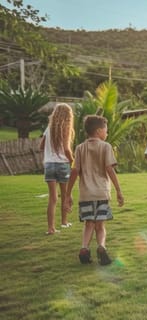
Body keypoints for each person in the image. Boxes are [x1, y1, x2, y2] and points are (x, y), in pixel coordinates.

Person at [65, 115, 124, 265]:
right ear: (99, 131)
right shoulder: (106, 146)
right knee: (101, 225)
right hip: (101, 193)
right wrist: (118, 190)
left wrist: (68, 194)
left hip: (85, 194)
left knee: (89, 224)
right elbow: (109, 169)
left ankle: (84, 248)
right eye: (106, 130)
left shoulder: (79, 148)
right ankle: (101, 247)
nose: (107, 133)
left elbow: (74, 171)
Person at [39, 103, 75, 235]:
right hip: (62, 165)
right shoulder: (66, 128)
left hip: (49, 165)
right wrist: (73, 161)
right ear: (68, 116)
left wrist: (50, 150)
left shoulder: (49, 129)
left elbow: (41, 146)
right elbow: (66, 149)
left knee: (53, 198)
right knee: (65, 196)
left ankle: (50, 228)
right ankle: (64, 222)